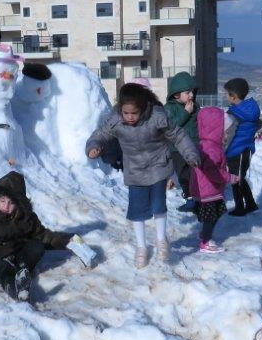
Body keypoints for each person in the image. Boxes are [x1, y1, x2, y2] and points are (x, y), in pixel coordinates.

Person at [86, 82, 202, 267]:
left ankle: (161, 239)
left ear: (143, 107)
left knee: (158, 205)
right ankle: (141, 247)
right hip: (135, 170)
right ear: (120, 109)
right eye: (126, 113)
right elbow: (99, 134)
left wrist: (190, 154)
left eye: (134, 113)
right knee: (137, 210)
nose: (130, 117)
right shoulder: (116, 120)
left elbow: (178, 135)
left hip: (158, 166)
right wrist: (94, 146)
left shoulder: (157, 116)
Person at [0, 172, 72, 301]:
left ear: (18, 203)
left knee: (37, 246)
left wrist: (65, 241)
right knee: (3, 269)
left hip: (17, 253)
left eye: (11, 203)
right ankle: (16, 289)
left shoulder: (26, 218)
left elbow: (42, 235)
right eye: (3, 201)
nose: (6, 206)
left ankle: (22, 272)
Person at [190, 106, 233, 253]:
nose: (227, 135)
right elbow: (213, 172)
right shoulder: (212, 149)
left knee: (214, 215)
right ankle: (205, 242)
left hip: (206, 189)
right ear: (216, 131)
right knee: (211, 217)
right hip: (209, 191)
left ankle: (204, 234)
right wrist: (229, 177)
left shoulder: (206, 144)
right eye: (225, 131)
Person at [223, 77, 262, 216]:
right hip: (245, 150)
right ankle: (250, 204)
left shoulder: (234, 113)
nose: (225, 96)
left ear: (233, 97)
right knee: (239, 178)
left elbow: (227, 132)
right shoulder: (250, 110)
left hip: (236, 150)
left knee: (236, 180)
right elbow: (257, 124)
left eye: (226, 94)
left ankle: (240, 207)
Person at [163, 71, 200, 210]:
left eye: (193, 92)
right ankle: (190, 199)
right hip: (177, 149)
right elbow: (171, 127)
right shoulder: (169, 108)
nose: (192, 95)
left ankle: (199, 198)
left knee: (196, 173)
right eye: (188, 92)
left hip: (194, 145)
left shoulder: (195, 105)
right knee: (184, 175)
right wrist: (186, 112)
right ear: (176, 94)